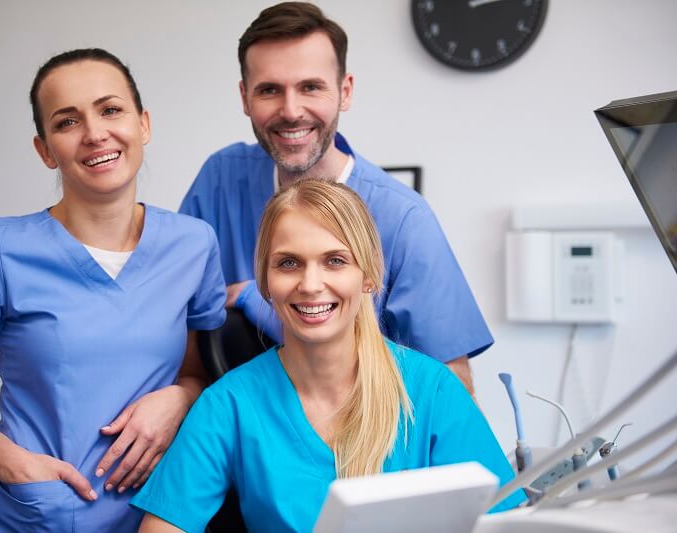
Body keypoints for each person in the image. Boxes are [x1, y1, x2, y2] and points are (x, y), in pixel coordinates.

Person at [0, 48, 226, 531]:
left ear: (143, 124)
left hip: (152, 519)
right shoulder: (0, 249)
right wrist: (17, 467)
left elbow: (196, 375)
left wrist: (181, 399)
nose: (95, 133)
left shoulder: (193, 245)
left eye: (110, 109)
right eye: (67, 122)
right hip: (26, 517)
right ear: (45, 150)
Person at [133, 180, 526, 533]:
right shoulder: (230, 404)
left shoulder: (432, 392)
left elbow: (504, 523)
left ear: (368, 274)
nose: (310, 284)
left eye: (335, 261)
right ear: (266, 283)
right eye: (288, 264)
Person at [180, 2, 489, 395]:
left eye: (310, 87)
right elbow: (174, 318)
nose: (291, 111)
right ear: (244, 97)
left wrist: (255, 300)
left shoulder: (402, 217)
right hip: (241, 435)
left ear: (345, 91)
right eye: (270, 90)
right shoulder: (221, 180)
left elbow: (453, 389)